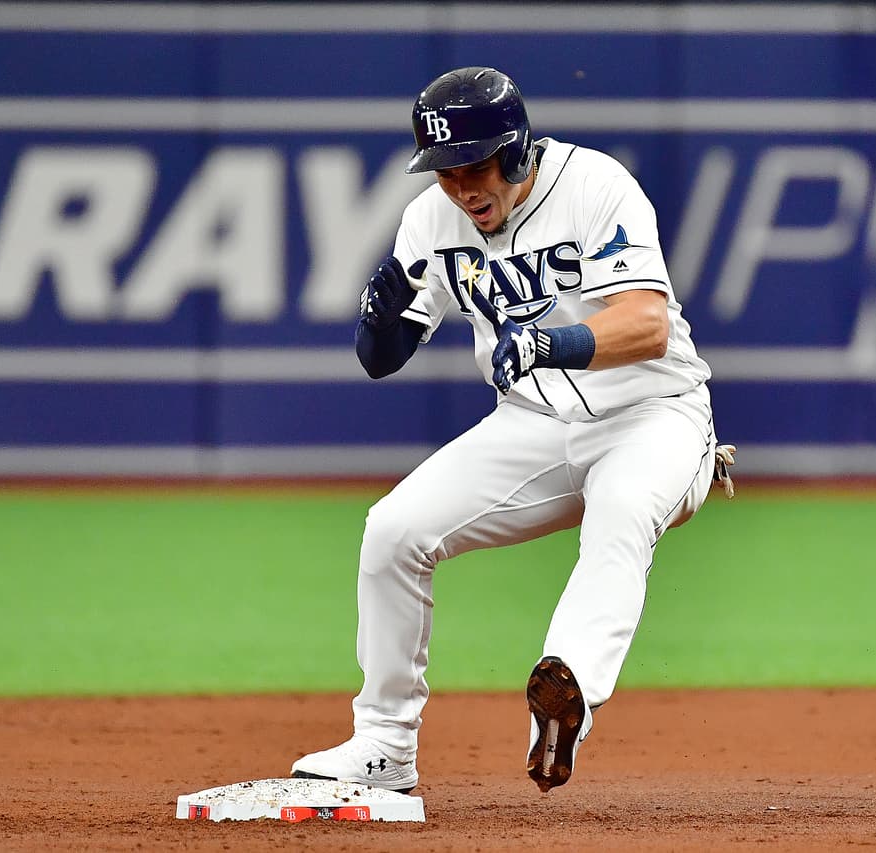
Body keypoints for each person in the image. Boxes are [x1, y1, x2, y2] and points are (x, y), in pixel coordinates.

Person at [291, 66, 734, 794]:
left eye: (475, 165)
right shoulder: (433, 221)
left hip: (655, 416)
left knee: (621, 510)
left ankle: (563, 698)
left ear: (519, 152)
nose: (462, 187)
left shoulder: (595, 186)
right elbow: (384, 356)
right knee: (394, 531)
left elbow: (648, 323)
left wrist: (546, 342)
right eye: (445, 172)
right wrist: (377, 320)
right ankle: (383, 744)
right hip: (533, 426)